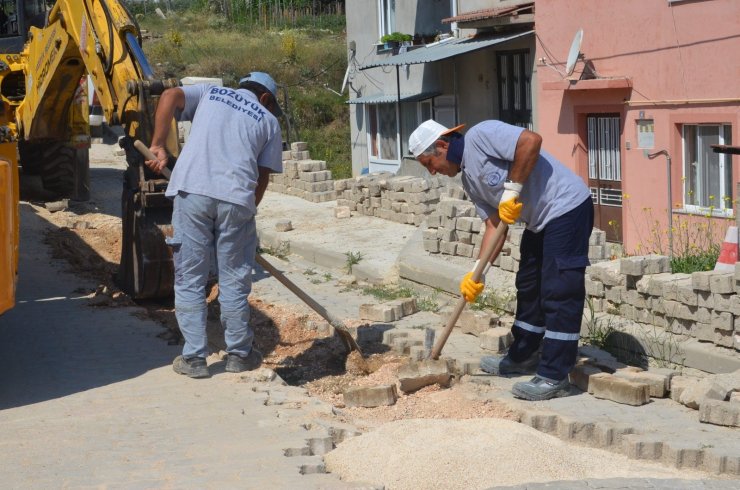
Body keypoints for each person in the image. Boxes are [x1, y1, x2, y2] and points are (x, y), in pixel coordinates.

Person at [408, 119, 593, 400]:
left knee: (559, 290)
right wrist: (477, 272)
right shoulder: (469, 180)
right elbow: (494, 226)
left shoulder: (481, 136)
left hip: (567, 208)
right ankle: (523, 355)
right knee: (528, 285)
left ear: (442, 146)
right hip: (538, 222)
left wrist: (512, 189)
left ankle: (555, 375)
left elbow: (531, 140)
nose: (433, 172)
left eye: (429, 164)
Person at [145, 72, 284, 379]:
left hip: (192, 191)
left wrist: (158, 144)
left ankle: (194, 358)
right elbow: (262, 176)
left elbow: (168, 97)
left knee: (190, 277)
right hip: (236, 199)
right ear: (265, 99)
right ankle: (239, 355)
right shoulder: (269, 121)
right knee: (233, 278)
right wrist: (247, 212)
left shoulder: (210, 92)